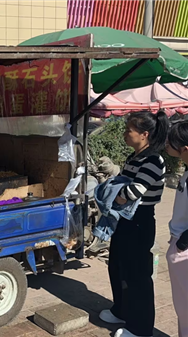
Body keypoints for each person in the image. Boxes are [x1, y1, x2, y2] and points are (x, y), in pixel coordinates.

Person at [99, 110, 168, 337]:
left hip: (140, 222)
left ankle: (140, 328)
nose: (125, 135)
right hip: (124, 220)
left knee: (138, 276)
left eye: (129, 130)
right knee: (118, 266)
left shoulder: (154, 159)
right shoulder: (135, 157)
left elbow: (134, 190)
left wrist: (117, 195)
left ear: (144, 134)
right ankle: (121, 310)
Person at [164, 121, 188, 337]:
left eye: (171, 142)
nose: (167, 145)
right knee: (182, 306)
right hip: (179, 242)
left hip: (185, 249)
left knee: (186, 306)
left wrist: (181, 244)